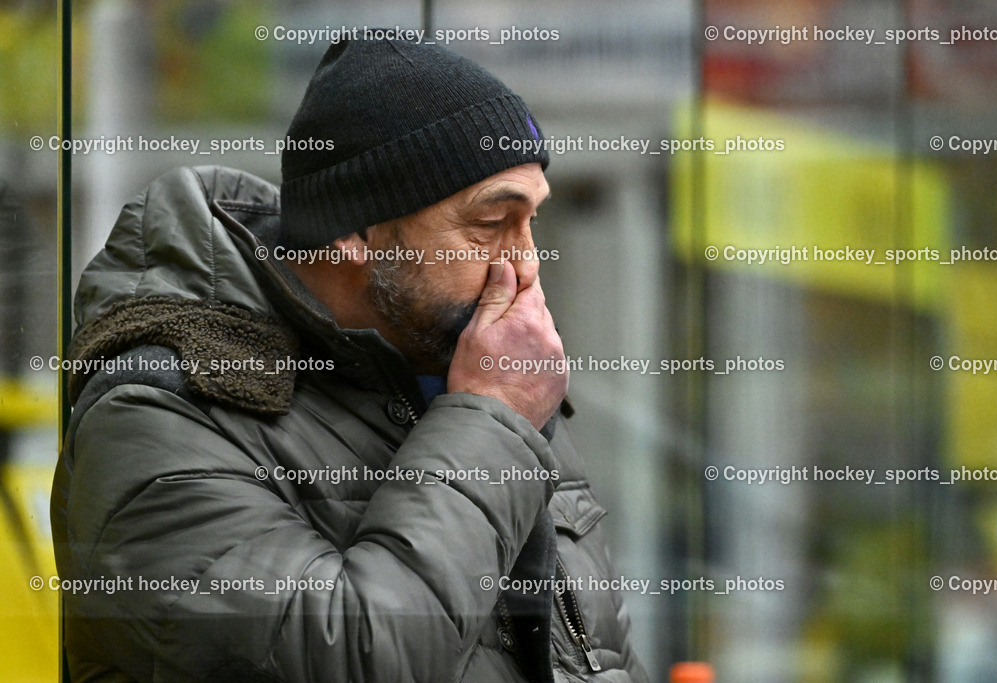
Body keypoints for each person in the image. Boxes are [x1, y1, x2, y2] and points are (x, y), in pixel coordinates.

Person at [51, 36, 649, 682]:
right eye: (491, 224)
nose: (526, 263)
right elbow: (357, 660)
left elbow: (599, 658)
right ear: (352, 233)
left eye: (532, 220)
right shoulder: (158, 417)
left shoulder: (465, 369)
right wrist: (492, 420)